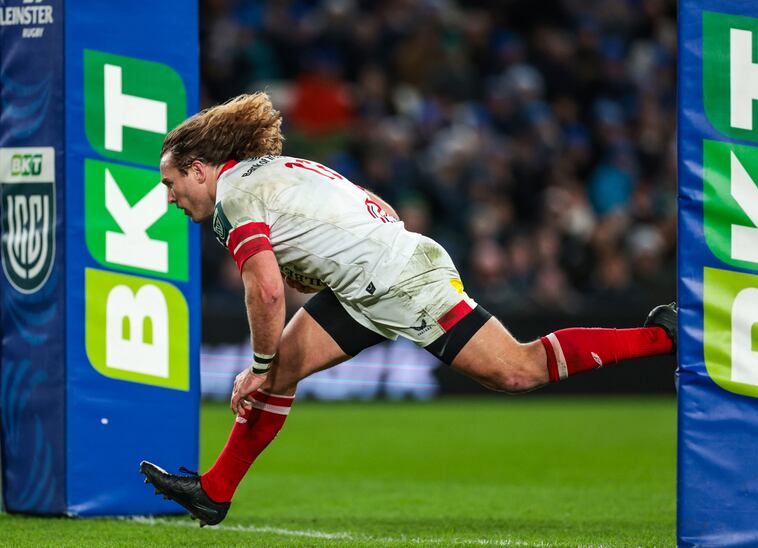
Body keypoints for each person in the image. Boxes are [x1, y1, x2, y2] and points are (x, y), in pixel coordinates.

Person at [139, 92, 676, 527]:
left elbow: (267, 291)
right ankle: (214, 493)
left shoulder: (234, 198)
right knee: (280, 373)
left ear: (200, 169)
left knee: (517, 371)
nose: (169, 197)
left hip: (403, 281)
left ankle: (663, 336)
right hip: (369, 281)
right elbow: (380, 209)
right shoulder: (270, 169)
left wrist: (255, 365)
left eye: (170, 183)